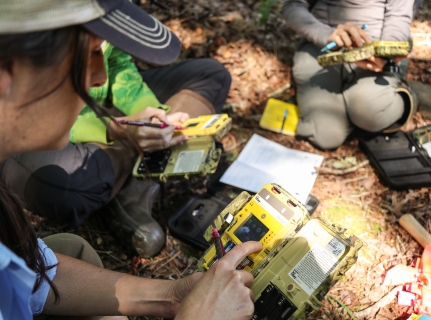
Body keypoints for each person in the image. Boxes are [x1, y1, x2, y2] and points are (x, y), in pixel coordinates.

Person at [0, 0, 260, 319]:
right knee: (66, 185)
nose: (99, 76)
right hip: (83, 140)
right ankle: (141, 165)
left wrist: (170, 297)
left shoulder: (6, 221)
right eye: (88, 55)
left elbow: (37, 276)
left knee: (210, 73)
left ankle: (141, 162)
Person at [282, 0, 416, 150]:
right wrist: (327, 34)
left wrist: (385, 52)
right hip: (322, 44)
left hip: (375, 45)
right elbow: (293, 5)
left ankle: (406, 99)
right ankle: (351, 110)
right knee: (324, 135)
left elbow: (398, 16)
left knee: (371, 111)